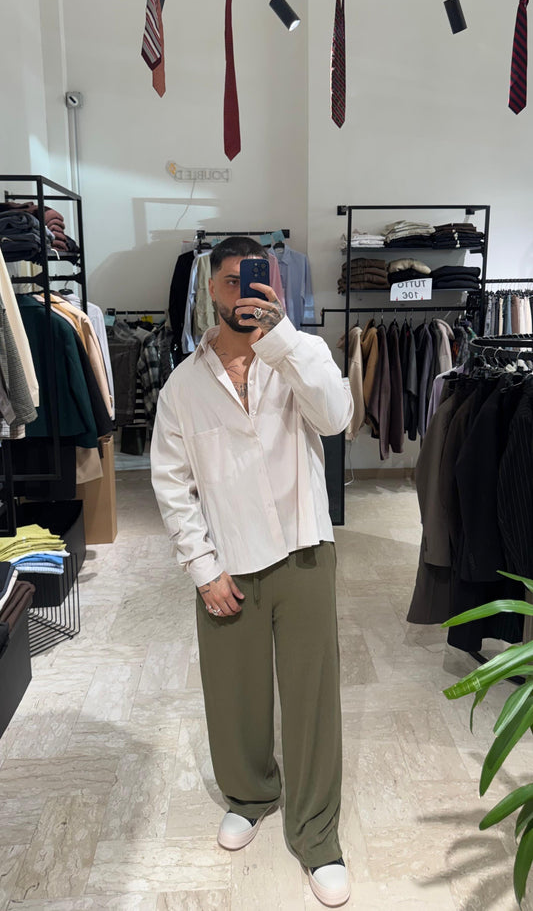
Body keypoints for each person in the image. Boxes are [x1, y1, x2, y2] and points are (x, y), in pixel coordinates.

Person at [151, 235, 353, 907]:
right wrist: (201, 568)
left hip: (303, 551)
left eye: (256, 279)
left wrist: (281, 339)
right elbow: (172, 483)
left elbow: (336, 417)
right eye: (232, 281)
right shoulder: (183, 385)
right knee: (232, 692)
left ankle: (316, 833)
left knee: (312, 699)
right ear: (211, 287)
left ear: (276, 284)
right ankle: (250, 795)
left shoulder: (299, 355)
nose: (245, 293)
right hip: (228, 559)